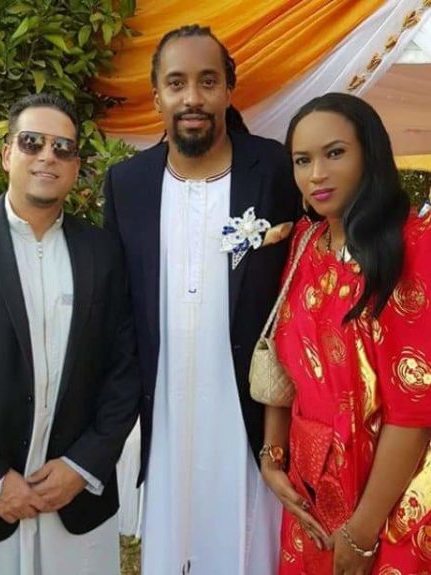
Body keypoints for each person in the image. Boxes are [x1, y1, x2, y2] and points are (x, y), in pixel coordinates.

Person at [104, 24, 300, 575]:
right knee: (173, 547)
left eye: (208, 81)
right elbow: (119, 309)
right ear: (157, 96)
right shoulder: (127, 184)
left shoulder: (275, 169)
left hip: (247, 412)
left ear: (229, 91)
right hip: (163, 408)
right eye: (177, 83)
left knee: (248, 548)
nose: (192, 97)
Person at [0, 93, 141, 575]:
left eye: (63, 147)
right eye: (32, 142)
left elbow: (125, 369)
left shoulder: (105, 253)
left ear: (76, 166)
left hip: (75, 503)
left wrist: (83, 465)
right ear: (8, 154)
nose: (48, 155)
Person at [261, 92, 431, 574]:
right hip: (310, 497)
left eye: (334, 153)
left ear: (369, 155)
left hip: (390, 504)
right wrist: (272, 456)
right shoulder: (305, 242)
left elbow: (414, 409)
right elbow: (281, 364)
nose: (316, 173)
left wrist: (362, 533)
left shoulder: (414, 246)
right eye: (302, 160)